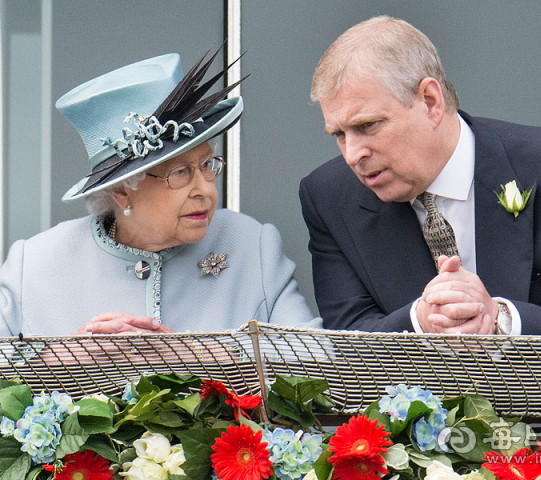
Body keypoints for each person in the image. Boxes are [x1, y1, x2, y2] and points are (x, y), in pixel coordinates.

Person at [299, 16, 541, 337]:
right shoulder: (328, 198)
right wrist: (420, 319)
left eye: (367, 126)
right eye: (339, 134)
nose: (352, 154)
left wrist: (499, 318)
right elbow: (346, 344)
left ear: (431, 102)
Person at [0, 49, 319, 336]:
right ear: (122, 191)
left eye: (207, 164)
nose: (205, 189)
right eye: (180, 172)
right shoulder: (36, 263)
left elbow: (320, 361)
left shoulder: (251, 245)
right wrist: (61, 359)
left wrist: (198, 356)